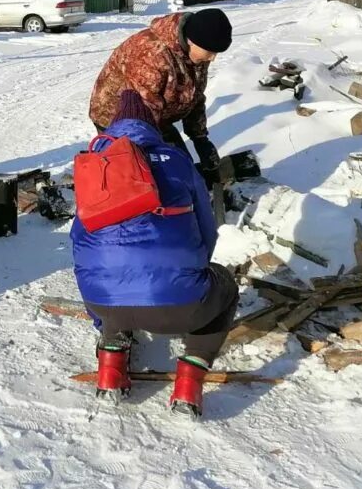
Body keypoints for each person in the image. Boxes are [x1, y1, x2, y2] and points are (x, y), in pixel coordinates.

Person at [70, 90, 238, 417]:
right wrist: (193, 271)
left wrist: (98, 315)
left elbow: (80, 243)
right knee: (226, 287)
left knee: (113, 273)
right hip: (182, 308)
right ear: (152, 127)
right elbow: (208, 227)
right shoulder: (176, 160)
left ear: (113, 127)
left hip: (104, 303)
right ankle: (189, 382)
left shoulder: (92, 167)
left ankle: (111, 369)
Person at [88, 8, 232, 178]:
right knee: (137, 174)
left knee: (181, 165)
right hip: (120, 118)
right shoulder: (151, 54)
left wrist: (200, 138)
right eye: (210, 51)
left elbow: (195, 95)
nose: (212, 58)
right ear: (192, 41)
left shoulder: (197, 53)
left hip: (159, 115)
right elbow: (141, 114)